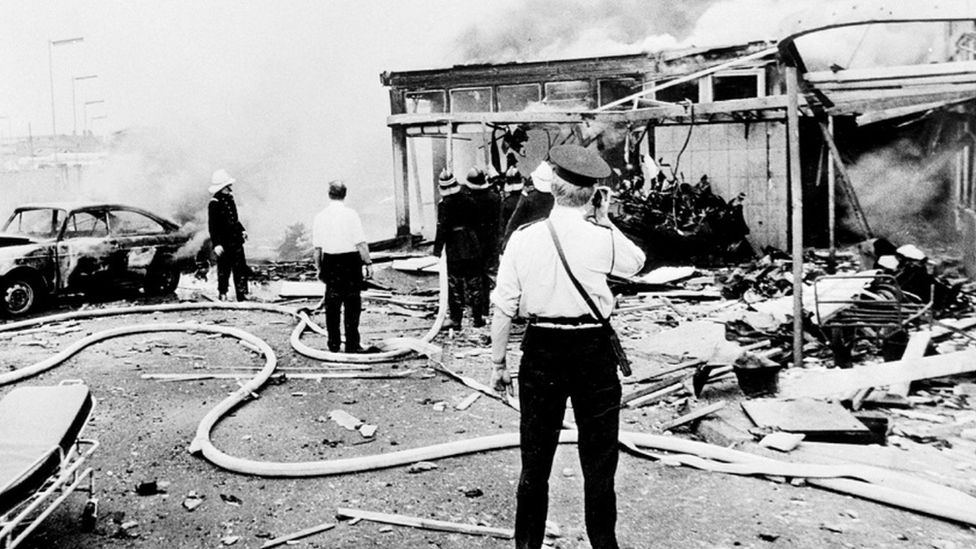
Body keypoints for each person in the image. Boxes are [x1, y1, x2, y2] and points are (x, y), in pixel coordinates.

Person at [490, 145, 646, 549]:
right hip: (593, 351)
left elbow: (503, 309)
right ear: (594, 193)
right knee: (599, 462)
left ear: (552, 187)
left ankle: (527, 546)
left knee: (535, 460)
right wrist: (607, 219)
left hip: (542, 351)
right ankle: (603, 544)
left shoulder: (523, 240)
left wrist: (498, 363)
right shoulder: (602, 240)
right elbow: (637, 262)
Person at [312, 180, 373, 353]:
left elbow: (317, 249)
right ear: (345, 194)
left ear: (329, 194)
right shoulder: (351, 215)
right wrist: (368, 263)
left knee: (332, 305)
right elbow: (361, 243)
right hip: (350, 262)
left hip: (330, 262)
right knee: (352, 304)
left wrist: (319, 268)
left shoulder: (320, 216)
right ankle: (352, 344)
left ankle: (333, 344)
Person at [433, 169, 485, 328]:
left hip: (455, 246)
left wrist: (437, 250)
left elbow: (442, 229)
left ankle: (456, 319)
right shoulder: (470, 200)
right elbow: (479, 224)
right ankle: (478, 318)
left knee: (455, 283)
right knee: (475, 282)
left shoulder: (444, 205)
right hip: (472, 243)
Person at [207, 168, 249, 301]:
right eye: (227, 187)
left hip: (236, 241)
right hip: (224, 243)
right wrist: (217, 244)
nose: (230, 189)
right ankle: (223, 294)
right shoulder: (214, 204)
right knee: (224, 270)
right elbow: (213, 227)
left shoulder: (230, 200)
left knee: (240, 269)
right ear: (221, 188)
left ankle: (241, 295)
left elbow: (234, 220)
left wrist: (242, 230)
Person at [464, 166, 501, 307]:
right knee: (487, 273)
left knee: (473, 274)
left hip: (472, 241)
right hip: (490, 240)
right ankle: (485, 304)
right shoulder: (495, 198)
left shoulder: (467, 200)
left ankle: (474, 304)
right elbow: (499, 221)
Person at [500, 161, 556, 252]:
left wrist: (506, 242)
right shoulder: (553, 199)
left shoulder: (527, 199)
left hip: (528, 240)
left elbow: (514, 221)